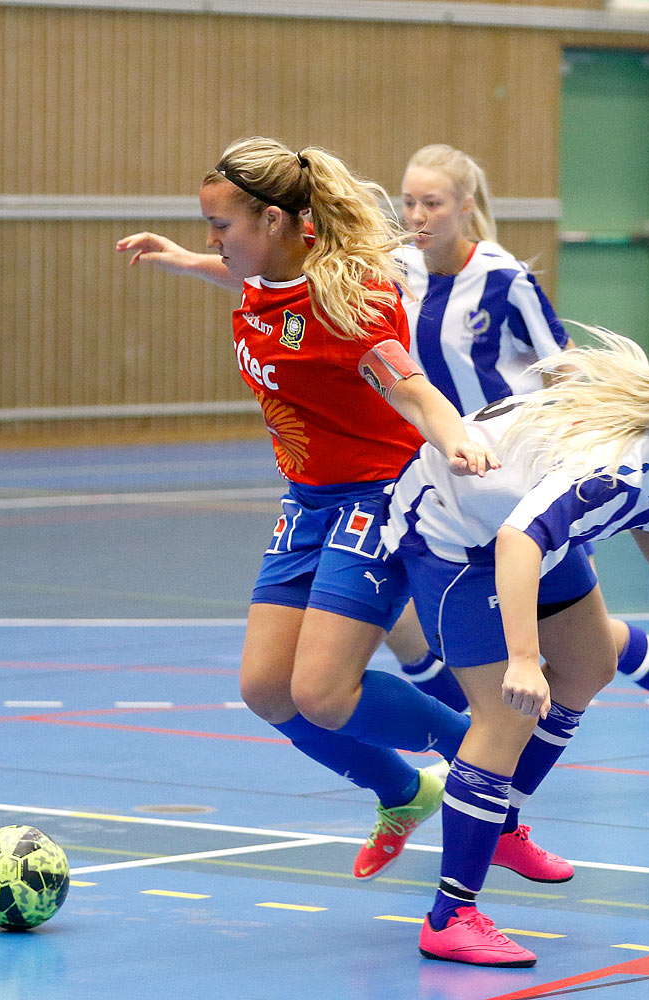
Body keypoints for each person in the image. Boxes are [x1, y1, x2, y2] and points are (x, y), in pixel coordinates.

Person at [115, 137, 496, 881]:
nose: (211, 240)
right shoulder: (262, 273)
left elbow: (411, 386)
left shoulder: (347, 299)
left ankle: (480, 749)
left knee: (320, 692)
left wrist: (459, 439)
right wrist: (180, 260)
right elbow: (250, 288)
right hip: (310, 499)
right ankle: (404, 791)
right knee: (265, 689)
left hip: (380, 497)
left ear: (277, 222)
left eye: (221, 228)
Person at [378, 329, 649, 967]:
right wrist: (520, 658)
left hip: (523, 529)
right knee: (505, 715)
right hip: (456, 535)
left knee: (591, 664)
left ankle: (503, 821)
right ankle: (451, 914)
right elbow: (518, 542)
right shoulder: (614, 473)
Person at [385, 143, 649, 804]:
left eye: (433, 202)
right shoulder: (395, 270)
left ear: (466, 207)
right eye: (410, 201)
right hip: (442, 475)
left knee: (588, 646)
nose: (418, 214)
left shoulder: (503, 280)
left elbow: (562, 365)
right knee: (414, 637)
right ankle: (482, 767)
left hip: (528, 476)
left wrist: (584, 441)